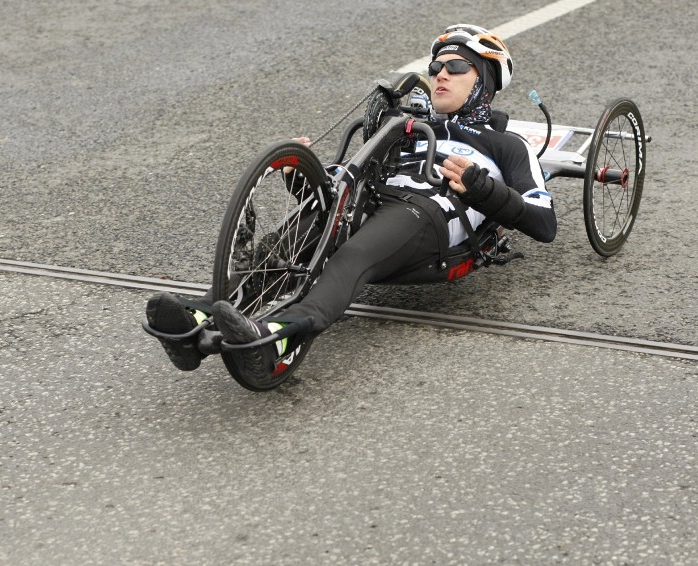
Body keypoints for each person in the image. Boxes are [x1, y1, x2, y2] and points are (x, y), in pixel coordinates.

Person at [145, 24, 556, 381]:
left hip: (426, 211)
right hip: (371, 197)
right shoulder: (406, 127)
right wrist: (303, 179)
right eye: (435, 68)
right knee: (290, 241)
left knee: (352, 255)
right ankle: (198, 318)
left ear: (483, 79)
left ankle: (273, 340)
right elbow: (345, 185)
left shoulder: (506, 145)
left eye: (457, 67)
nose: (441, 75)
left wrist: (480, 187)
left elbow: (544, 222)